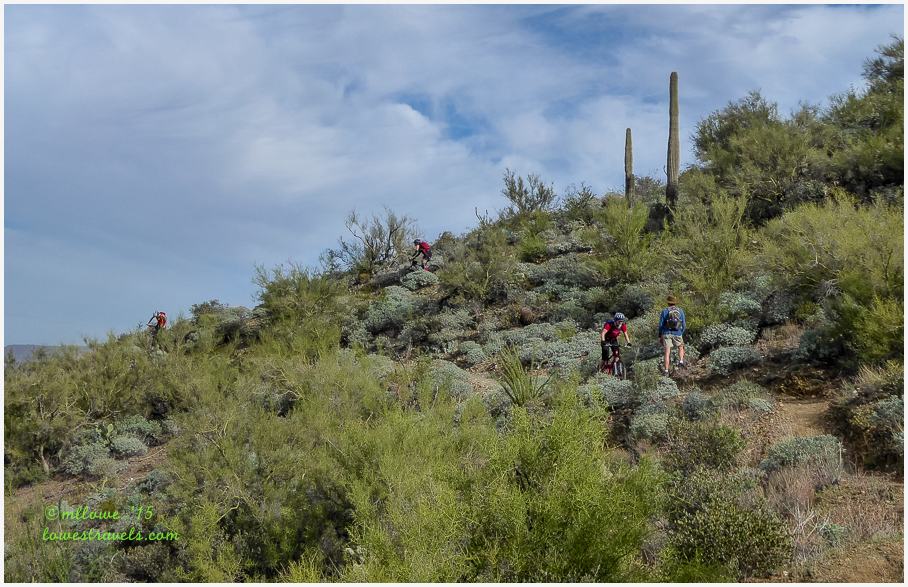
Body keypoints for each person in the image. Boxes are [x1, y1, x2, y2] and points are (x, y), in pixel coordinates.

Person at [659, 295, 686, 375]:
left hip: (666, 333)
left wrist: (660, 335)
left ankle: (666, 370)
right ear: (675, 303)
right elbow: (684, 324)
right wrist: (681, 332)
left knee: (667, 352)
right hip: (677, 332)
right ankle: (681, 361)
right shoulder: (680, 311)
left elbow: (661, 325)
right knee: (681, 347)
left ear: (668, 303)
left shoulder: (664, 311)